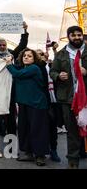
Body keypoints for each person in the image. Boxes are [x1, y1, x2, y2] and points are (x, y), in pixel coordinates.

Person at [0, 19, 29, 136]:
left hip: (9, 86)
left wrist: (24, 31)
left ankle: (11, 135)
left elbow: (22, 45)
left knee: (10, 112)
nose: (2, 47)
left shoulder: (11, 54)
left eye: (4, 45)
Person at [50, 26, 87, 169]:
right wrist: (58, 76)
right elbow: (53, 71)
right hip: (68, 98)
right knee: (72, 130)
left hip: (86, 96)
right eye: (74, 35)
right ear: (68, 37)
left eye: (79, 35)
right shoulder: (61, 54)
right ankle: (73, 161)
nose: (77, 37)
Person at [6, 48, 50, 167]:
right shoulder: (23, 68)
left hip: (37, 104)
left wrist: (9, 65)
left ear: (34, 58)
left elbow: (16, 74)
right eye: (24, 55)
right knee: (24, 128)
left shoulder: (34, 68)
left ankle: (40, 155)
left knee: (37, 129)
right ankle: (28, 152)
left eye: (29, 56)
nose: (26, 57)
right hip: (24, 103)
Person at [36, 49, 61, 163]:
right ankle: (40, 152)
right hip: (41, 101)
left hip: (54, 100)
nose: (41, 56)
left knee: (53, 127)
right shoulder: (36, 67)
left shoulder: (51, 66)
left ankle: (53, 150)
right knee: (41, 128)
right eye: (37, 55)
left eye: (42, 54)